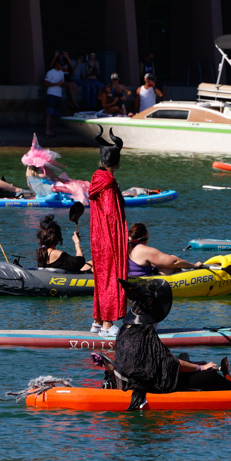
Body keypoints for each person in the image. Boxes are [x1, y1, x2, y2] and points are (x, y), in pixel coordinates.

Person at [109, 279, 231, 409]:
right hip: (148, 383)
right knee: (208, 375)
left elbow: (159, 359)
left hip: (140, 377)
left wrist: (198, 365)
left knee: (197, 363)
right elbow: (168, 362)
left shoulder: (127, 328)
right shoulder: (144, 332)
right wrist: (200, 368)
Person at [89, 128, 128, 336]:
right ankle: (107, 325)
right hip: (109, 238)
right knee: (111, 278)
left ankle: (96, 322)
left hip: (97, 238)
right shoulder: (109, 184)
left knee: (101, 278)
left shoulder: (97, 178)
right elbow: (112, 215)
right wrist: (124, 239)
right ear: (116, 162)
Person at [127, 222, 202, 276]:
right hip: (143, 285)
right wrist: (194, 265)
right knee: (174, 265)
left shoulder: (125, 247)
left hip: (129, 280)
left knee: (157, 266)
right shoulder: (144, 250)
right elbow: (174, 262)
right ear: (144, 236)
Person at [42, 57, 66, 138]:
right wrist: (57, 83)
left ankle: (52, 130)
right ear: (57, 64)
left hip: (59, 95)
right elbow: (46, 83)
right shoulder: (50, 72)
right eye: (61, 65)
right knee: (49, 113)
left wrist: (62, 84)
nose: (62, 66)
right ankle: (47, 131)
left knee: (56, 114)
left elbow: (62, 84)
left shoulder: (62, 73)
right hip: (51, 94)